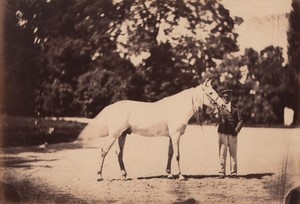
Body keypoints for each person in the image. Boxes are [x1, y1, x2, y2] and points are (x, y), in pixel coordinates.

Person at [216, 89, 243, 179]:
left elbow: (241, 120)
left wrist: (237, 130)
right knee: (222, 153)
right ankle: (221, 171)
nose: (225, 98)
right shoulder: (219, 108)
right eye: (224, 97)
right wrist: (216, 115)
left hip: (233, 133)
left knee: (233, 152)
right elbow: (215, 119)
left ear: (231, 97)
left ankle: (233, 172)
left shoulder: (235, 108)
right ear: (222, 98)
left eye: (227, 97)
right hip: (222, 133)